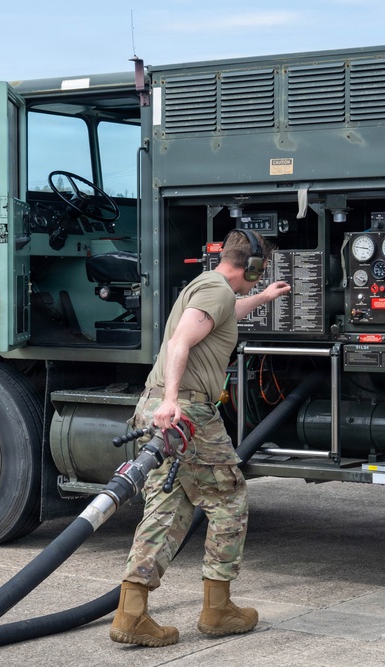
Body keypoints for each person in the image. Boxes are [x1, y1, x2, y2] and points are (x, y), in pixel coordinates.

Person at [110, 229, 290, 647]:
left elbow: (220, 314)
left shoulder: (212, 289)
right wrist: (173, 401)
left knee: (166, 507)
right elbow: (181, 340)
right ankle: (218, 609)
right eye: (260, 277)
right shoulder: (216, 291)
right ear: (254, 266)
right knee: (228, 498)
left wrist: (262, 301)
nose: (260, 282)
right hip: (186, 410)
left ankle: (131, 613)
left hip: (159, 407)